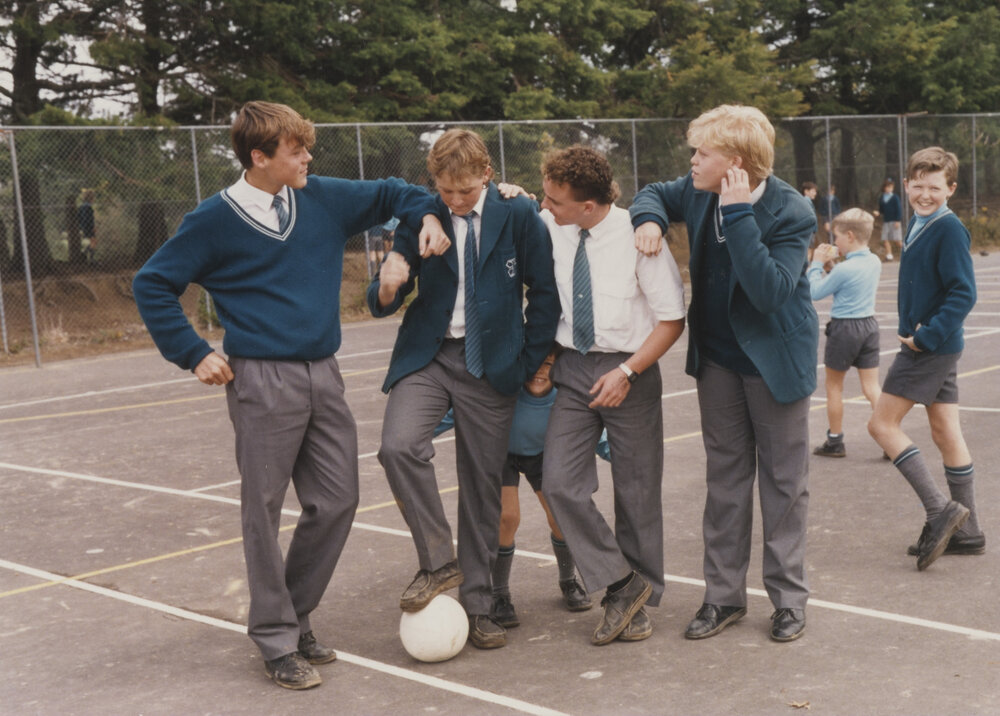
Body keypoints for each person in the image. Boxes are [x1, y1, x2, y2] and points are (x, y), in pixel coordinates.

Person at [133, 101, 448, 690]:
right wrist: (193, 351)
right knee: (264, 511)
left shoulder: (321, 196)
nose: (308, 157)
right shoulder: (213, 219)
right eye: (296, 150)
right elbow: (152, 282)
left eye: (307, 147)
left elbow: (397, 192)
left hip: (323, 373)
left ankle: (294, 613)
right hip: (259, 379)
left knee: (338, 499)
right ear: (260, 158)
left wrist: (425, 220)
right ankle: (277, 639)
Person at [630, 104, 818, 643]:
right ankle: (723, 598)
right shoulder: (695, 188)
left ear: (734, 163)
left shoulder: (791, 212)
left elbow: (769, 293)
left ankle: (787, 600)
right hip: (717, 361)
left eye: (702, 153)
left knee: (783, 483)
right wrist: (648, 219)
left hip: (774, 362)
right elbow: (652, 193)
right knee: (726, 480)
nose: (691, 161)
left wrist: (737, 216)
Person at [367, 128, 559, 650]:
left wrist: (527, 364)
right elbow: (390, 287)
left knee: (482, 486)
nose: (454, 201)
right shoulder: (420, 214)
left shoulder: (518, 214)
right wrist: (387, 283)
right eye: (445, 191)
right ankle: (438, 562)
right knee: (397, 447)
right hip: (429, 356)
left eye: (465, 192)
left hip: (493, 365)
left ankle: (478, 605)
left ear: (487, 177)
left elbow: (544, 292)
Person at [532, 145, 686, 646]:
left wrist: (628, 371)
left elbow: (671, 320)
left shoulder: (640, 239)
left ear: (590, 206)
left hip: (631, 370)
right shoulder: (553, 226)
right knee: (559, 483)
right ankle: (623, 581)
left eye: (554, 199)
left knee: (637, 494)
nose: (546, 206)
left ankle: (635, 607)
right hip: (573, 367)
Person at [867, 146, 982, 570]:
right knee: (945, 428)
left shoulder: (948, 229)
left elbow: (964, 293)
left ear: (951, 189)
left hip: (928, 346)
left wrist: (925, 336)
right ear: (908, 184)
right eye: (918, 186)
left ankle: (940, 511)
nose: (925, 194)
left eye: (935, 187)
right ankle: (968, 532)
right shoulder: (919, 221)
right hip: (937, 344)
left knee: (881, 424)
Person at [433, 350, 593, 628]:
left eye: (547, 365)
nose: (539, 372)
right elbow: (464, 410)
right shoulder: (506, 389)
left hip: (543, 456)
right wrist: (422, 431)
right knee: (507, 518)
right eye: (534, 364)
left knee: (560, 517)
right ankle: (500, 594)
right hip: (503, 455)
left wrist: (610, 450)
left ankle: (568, 581)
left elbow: (591, 425)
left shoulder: (564, 395)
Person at [808, 208, 882, 458]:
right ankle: (890, 438)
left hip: (845, 328)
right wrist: (832, 267)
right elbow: (848, 282)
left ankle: (835, 440)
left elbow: (814, 292)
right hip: (869, 326)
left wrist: (816, 263)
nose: (834, 242)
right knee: (871, 386)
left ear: (850, 236)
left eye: (837, 237)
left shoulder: (844, 269)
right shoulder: (874, 262)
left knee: (834, 387)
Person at [876, 178, 903, 260]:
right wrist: (878, 212)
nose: (889, 189)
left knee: (897, 240)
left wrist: (898, 220)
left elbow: (899, 209)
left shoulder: (895, 197)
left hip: (894, 222)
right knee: (885, 239)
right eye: (887, 187)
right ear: (884, 188)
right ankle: (889, 255)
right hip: (886, 222)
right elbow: (881, 210)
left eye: (891, 187)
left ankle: (907, 252)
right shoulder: (882, 198)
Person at [77, 190, 96, 261]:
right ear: (91, 198)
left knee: (91, 242)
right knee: (93, 241)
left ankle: (84, 255)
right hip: (87, 227)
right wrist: (92, 227)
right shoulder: (88, 207)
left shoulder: (81, 206)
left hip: (82, 226)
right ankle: (90, 258)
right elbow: (88, 218)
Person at [801, 182, 819, 250]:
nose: (815, 193)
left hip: (810, 230)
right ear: (806, 191)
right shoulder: (806, 201)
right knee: (808, 250)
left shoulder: (808, 201)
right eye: (813, 191)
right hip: (808, 231)